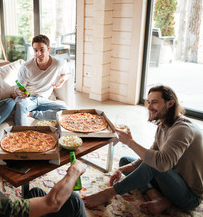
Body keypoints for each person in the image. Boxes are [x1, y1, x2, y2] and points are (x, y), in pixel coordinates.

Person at [83, 85, 203, 215]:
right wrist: (122, 170)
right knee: (125, 161)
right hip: (171, 178)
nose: (149, 107)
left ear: (170, 103)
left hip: (189, 196)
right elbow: (151, 154)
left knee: (153, 164)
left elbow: (161, 163)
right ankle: (158, 198)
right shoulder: (163, 125)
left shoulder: (182, 128)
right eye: (149, 102)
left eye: (155, 102)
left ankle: (108, 193)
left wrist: (130, 142)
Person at [15, 34, 70, 126]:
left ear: (48, 49)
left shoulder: (58, 63)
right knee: (20, 105)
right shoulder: (26, 67)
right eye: (35, 50)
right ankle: (21, 133)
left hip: (44, 99)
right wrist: (20, 92)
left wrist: (61, 80)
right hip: (29, 99)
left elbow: (66, 73)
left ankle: (33, 114)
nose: (38, 54)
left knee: (65, 109)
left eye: (41, 50)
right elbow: (18, 87)